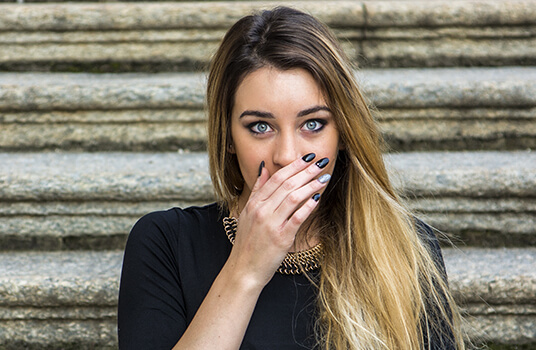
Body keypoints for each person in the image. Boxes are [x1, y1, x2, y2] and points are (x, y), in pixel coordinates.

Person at [118, 6, 464, 350]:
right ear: (227, 138)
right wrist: (246, 270)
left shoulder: (404, 248)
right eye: (260, 127)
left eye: (312, 124)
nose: (286, 155)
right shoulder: (164, 244)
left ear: (343, 132)